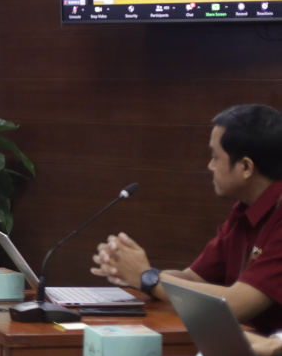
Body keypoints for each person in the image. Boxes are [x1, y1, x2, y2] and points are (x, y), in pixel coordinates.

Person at [91, 104, 282, 335]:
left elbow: (235, 305)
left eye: (215, 157)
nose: (210, 166)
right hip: (239, 345)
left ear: (246, 167)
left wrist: (149, 278)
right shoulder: (243, 211)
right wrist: (132, 271)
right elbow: (192, 277)